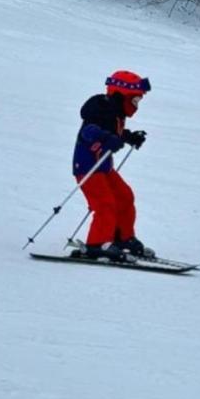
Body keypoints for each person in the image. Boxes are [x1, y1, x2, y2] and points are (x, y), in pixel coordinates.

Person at [73, 70, 154, 260]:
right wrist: (107, 138)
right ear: (122, 93)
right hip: (87, 167)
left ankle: (121, 238)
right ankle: (97, 244)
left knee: (125, 197)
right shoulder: (100, 109)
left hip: (104, 167)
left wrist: (129, 137)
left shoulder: (115, 112)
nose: (137, 104)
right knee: (105, 203)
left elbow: (115, 132)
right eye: (135, 100)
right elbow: (89, 131)